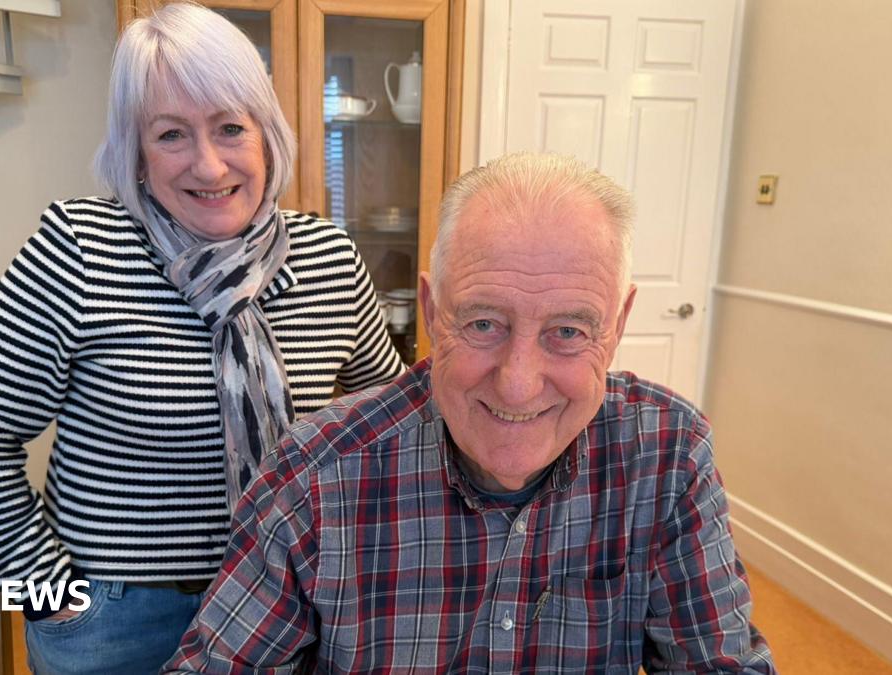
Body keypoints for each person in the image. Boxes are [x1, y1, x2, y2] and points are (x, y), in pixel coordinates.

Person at [163, 152, 777, 673]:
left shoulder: (667, 454)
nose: (517, 386)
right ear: (432, 312)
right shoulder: (316, 474)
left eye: (567, 331)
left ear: (616, 327)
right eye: (483, 324)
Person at [0, 4, 404, 674]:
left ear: (267, 133)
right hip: (118, 623)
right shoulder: (79, 250)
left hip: (294, 602)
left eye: (230, 127)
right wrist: (49, 594)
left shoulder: (329, 257)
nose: (208, 166)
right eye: (172, 134)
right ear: (137, 151)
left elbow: (384, 427)